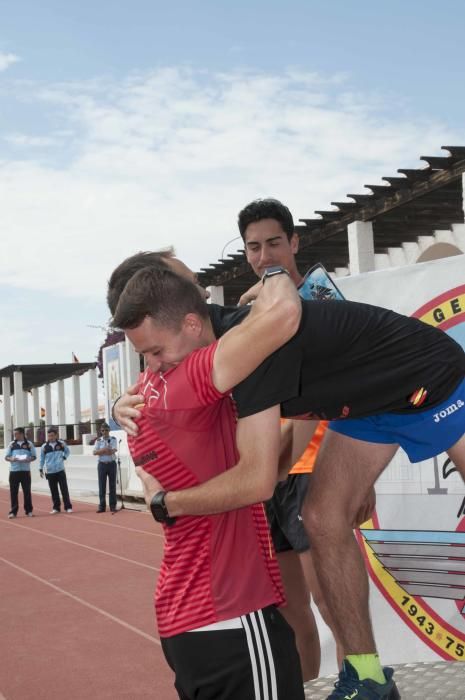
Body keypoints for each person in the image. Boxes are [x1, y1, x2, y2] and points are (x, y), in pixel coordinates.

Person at [112, 251, 465, 700]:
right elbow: (297, 415)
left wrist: (169, 502)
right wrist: (119, 402)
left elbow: (259, 478)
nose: (154, 367)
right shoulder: (214, 349)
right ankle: (367, 673)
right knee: (321, 515)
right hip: (368, 409)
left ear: (192, 324)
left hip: (433, 377)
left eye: (156, 354)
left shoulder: (250, 343)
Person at [113, 263, 305, 699]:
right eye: (149, 354)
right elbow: (281, 318)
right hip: (230, 615)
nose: (154, 364)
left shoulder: (142, 397)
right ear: (191, 319)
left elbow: (261, 461)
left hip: (187, 621)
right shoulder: (189, 378)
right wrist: (275, 271)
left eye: (155, 351)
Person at [237, 198, 347, 675]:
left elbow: (347, 391)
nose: (265, 257)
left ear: (295, 243)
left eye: (274, 243)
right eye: (254, 247)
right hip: (266, 475)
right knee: (288, 611)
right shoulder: (247, 315)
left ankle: (359, 684)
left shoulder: (322, 301)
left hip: (313, 470)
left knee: (332, 603)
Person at [5, 427, 37, 518]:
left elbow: (34, 456)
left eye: (16, 434)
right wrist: (12, 459)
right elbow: (6, 457)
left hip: (25, 471)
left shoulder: (29, 444)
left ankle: (29, 511)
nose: (15, 436)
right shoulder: (11, 444)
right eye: (14, 434)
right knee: (13, 492)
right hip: (14, 471)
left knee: (27, 492)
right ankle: (13, 512)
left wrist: (28, 459)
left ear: (22, 434)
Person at [40, 428, 73, 514]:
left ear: (56, 435)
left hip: (60, 470)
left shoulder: (61, 444)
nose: (50, 437)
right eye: (49, 436)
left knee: (64, 489)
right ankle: (56, 508)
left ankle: (68, 507)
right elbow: (42, 459)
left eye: (52, 435)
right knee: (53, 490)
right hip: (50, 472)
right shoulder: (44, 447)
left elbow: (67, 452)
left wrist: (64, 457)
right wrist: (40, 469)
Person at [93, 424, 118, 513]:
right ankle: (102, 506)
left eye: (106, 430)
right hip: (102, 465)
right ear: (101, 431)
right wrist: (104, 449)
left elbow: (112, 451)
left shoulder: (113, 439)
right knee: (102, 486)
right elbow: (94, 452)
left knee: (112, 486)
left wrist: (102, 451)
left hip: (111, 464)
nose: (104, 432)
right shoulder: (98, 441)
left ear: (109, 430)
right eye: (103, 430)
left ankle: (112, 506)